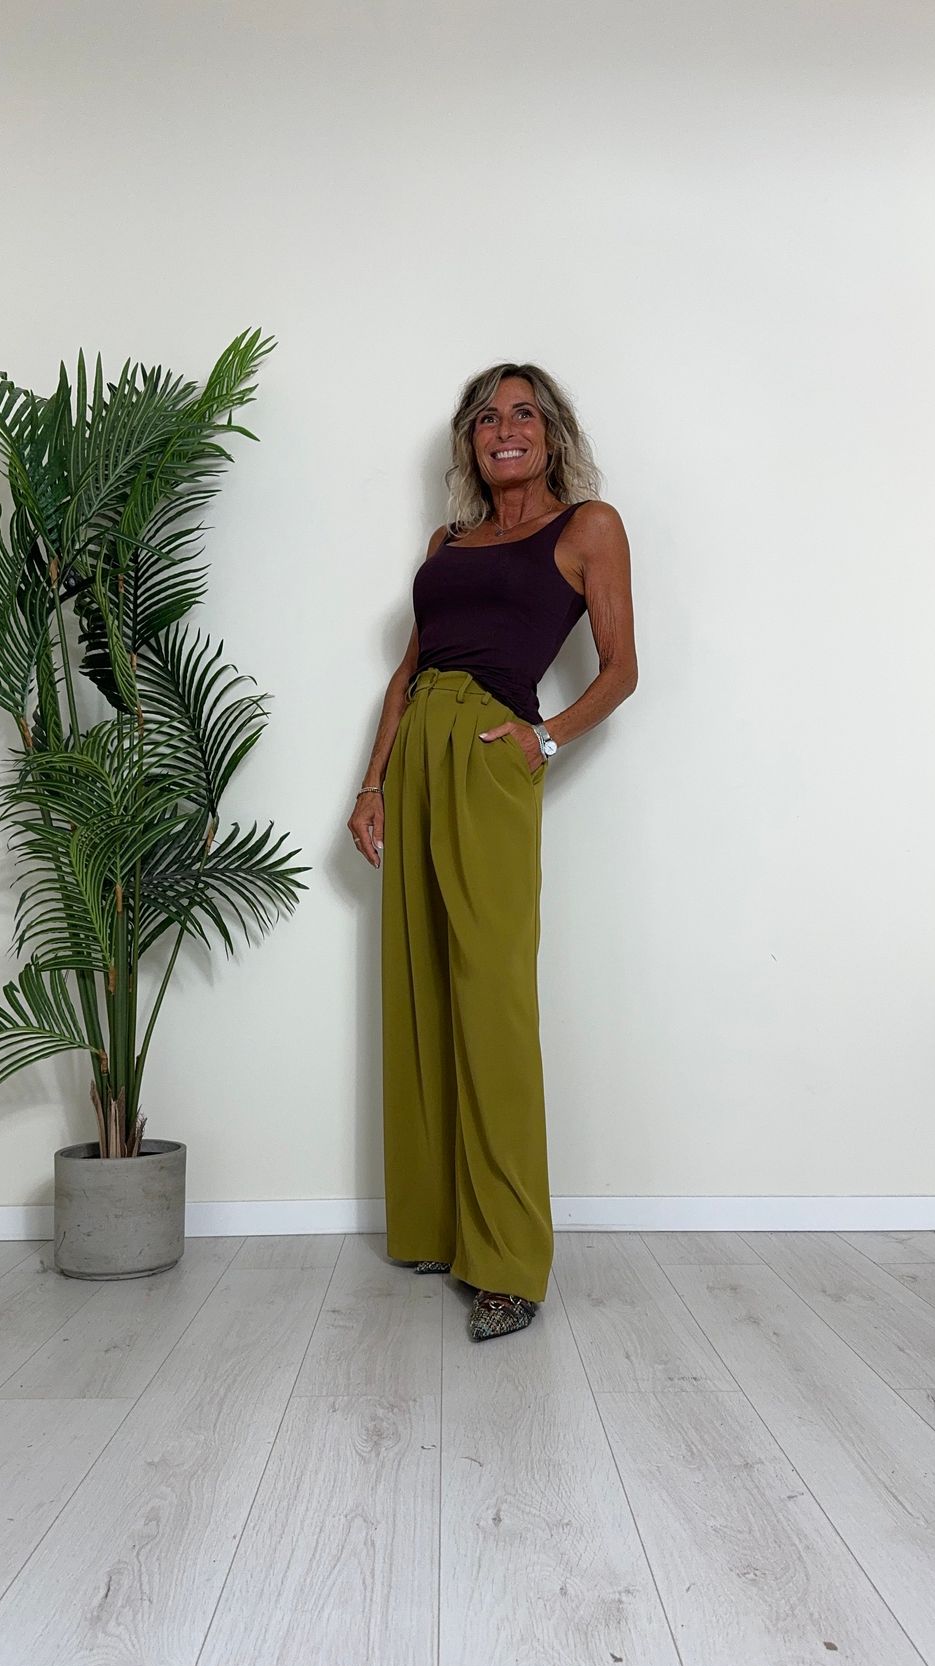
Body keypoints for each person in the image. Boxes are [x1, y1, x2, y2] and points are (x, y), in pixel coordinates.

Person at [348, 362, 637, 1340]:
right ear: (468, 442)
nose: (503, 429)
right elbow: (407, 671)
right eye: (484, 418)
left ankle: (509, 1261)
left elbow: (620, 669)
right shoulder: (447, 543)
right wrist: (371, 783)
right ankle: (437, 1226)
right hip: (416, 756)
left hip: (486, 755)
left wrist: (540, 741)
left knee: (493, 999)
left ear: (550, 433)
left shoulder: (587, 528)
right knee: (421, 983)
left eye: (521, 414)